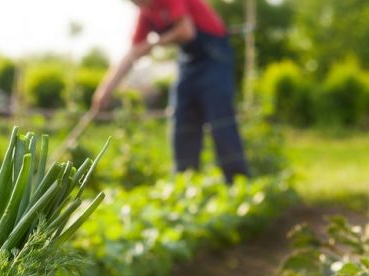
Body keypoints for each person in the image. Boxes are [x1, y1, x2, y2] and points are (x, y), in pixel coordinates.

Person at [91, 0, 250, 183]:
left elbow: (186, 31)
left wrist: (154, 44)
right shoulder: (146, 13)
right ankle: (185, 186)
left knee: (220, 121)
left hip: (214, 56)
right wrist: (105, 90)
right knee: (182, 120)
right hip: (188, 61)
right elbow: (133, 52)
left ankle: (238, 183)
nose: (135, 4)